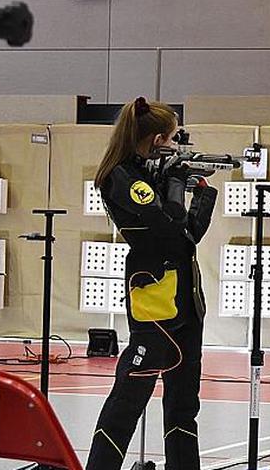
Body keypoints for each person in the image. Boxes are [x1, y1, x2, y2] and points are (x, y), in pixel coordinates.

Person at [86, 97, 217, 470]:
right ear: (158, 139)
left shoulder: (147, 175)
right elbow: (166, 226)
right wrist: (173, 182)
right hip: (155, 301)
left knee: (184, 403)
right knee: (129, 398)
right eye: (172, 139)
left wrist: (203, 194)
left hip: (186, 300)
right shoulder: (122, 177)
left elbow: (186, 236)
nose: (175, 145)